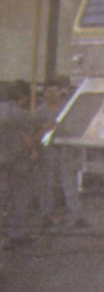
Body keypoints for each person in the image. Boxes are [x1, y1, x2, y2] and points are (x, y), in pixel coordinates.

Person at [34, 79, 87, 228]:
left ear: (60, 92)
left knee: (69, 184)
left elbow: (76, 128)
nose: (53, 95)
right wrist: (45, 128)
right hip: (48, 151)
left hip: (66, 151)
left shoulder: (67, 108)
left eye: (55, 91)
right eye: (49, 92)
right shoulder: (39, 112)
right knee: (47, 185)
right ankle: (46, 215)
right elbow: (34, 135)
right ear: (44, 94)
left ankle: (77, 216)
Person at [0, 80, 37, 248]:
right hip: (17, 161)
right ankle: (18, 233)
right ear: (24, 97)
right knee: (20, 197)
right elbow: (27, 139)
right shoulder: (22, 115)